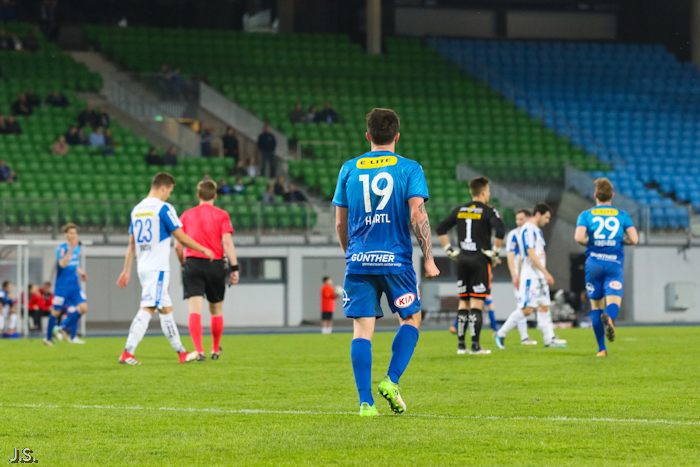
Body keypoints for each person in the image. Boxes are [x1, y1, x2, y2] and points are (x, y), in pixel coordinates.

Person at [332, 108, 439, 416]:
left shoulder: (348, 168)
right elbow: (417, 214)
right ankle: (391, 381)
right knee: (411, 319)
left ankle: (365, 403)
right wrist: (429, 259)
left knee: (361, 330)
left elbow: (340, 223)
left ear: (368, 135)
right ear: (397, 136)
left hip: (359, 261)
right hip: (396, 262)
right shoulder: (410, 168)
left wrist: (351, 255)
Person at [116, 172, 214, 365]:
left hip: (144, 267)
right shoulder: (164, 208)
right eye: (169, 191)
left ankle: (182, 353)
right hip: (158, 268)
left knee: (166, 310)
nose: (169, 195)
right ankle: (127, 352)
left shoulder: (136, 210)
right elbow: (181, 237)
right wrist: (203, 249)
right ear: (163, 188)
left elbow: (132, 245)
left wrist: (126, 269)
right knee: (148, 308)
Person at [437, 177, 505, 355]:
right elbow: (500, 230)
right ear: (483, 192)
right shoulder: (488, 211)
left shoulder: (460, 209)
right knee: (477, 303)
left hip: (462, 260)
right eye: (488, 191)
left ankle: (461, 346)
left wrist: (449, 250)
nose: (489, 194)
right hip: (480, 259)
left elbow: (441, 228)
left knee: (463, 302)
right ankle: (475, 346)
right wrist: (495, 253)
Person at [175, 180, 239, 361]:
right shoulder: (222, 215)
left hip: (193, 263)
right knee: (216, 309)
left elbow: (178, 246)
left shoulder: (186, 215)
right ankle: (215, 349)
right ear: (215, 196)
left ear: (198, 195)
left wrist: (183, 263)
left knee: (194, 310)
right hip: (215, 264)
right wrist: (234, 267)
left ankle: (199, 351)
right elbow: (227, 242)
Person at [575, 178, 638, 357]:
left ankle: (601, 349)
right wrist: (619, 241)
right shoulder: (622, 215)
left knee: (596, 306)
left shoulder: (586, 215)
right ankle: (609, 317)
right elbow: (634, 239)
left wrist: (593, 242)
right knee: (613, 303)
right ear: (612, 195)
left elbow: (579, 238)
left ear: (595, 195)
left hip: (594, 264)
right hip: (614, 264)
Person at [495, 203, 567, 349]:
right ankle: (501, 333)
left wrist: (543, 273)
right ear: (538, 214)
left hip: (538, 275)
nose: (548, 221)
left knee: (544, 306)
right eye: (546, 217)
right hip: (531, 276)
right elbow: (530, 252)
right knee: (527, 309)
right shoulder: (528, 229)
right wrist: (545, 272)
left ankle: (549, 340)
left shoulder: (536, 230)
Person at [44, 223, 89, 346]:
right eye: (71, 233)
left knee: (83, 308)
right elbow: (62, 264)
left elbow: (73, 264)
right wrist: (71, 249)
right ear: (65, 234)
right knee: (56, 312)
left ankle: (62, 328)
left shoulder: (78, 247)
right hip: (62, 286)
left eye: (75, 233)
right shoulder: (62, 248)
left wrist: (81, 272)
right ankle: (48, 338)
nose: (73, 235)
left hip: (74, 285)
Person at [503, 209, 537, 345]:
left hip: (531, 273)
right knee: (522, 304)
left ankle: (548, 336)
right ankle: (523, 337)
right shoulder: (514, 234)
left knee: (530, 305)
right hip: (521, 273)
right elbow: (511, 256)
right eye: (517, 219)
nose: (518, 222)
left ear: (528, 218)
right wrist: (514, 274)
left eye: (521, 219)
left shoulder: (532, 231)